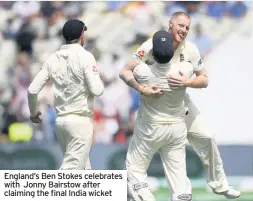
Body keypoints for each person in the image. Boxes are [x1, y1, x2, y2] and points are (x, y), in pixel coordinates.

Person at [119, 12, 240, 199]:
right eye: (180, 26)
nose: (183, 31)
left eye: (187, 28)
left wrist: (188, 83)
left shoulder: (190, 49)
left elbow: (204, 79)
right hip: (156, 107)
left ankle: (220, 184)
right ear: (170, 24)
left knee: (207, 137)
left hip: (181, 102)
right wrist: (142, 88)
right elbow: (126, 70)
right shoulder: (150, 45)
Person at [27, 19, 104, 170]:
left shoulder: (53, 58)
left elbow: (32, 90)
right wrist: (96, 76)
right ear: (82, 36)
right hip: (80, 122)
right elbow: (97, 90)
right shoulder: (86, 56)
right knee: (70, 172)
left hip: (61, 122)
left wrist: (33, 113)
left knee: (84, 171)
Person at [126, 30, 193, 201]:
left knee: (134, 170)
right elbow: (189, 63)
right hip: (176, 129)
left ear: (153, 52)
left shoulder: (143, 72)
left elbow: (126, 69)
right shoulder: (185, 69)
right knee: (178, 177)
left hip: (150, 129)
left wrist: (149, 47)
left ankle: (146, 197)